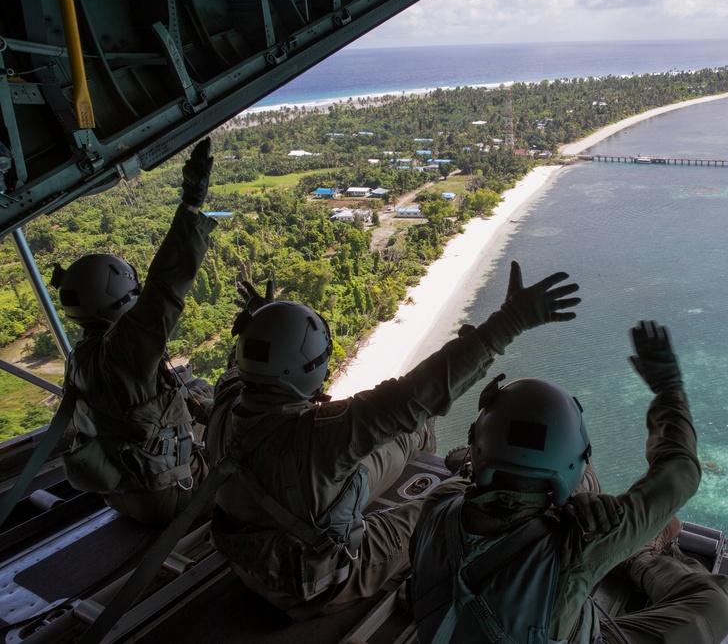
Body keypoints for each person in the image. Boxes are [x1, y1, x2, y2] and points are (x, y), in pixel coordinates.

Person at [205, 261, 581, 620]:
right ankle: (459, 477)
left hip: (248, 561)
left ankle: (430, 460)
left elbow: (251, 358)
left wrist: (266, 321)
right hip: (313, 580)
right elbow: (419, 394)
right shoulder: (320, 436)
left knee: (410, 430)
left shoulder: (227, 398)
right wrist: (510, 320)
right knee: (443, 513)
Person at [409, 320, 728, 644]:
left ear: (477, 446)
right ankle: (642, 559)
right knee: (717, 603)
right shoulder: (576, 544)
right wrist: (669, 389)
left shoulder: (440, 503)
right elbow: (680, 472)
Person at [51, 138, 217, 527]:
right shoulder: (126, 349)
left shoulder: (81, 358)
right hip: (169, 496)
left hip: (120, 496)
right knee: (244, 441)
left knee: (195, 387)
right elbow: (167, 284)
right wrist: (191, 204)